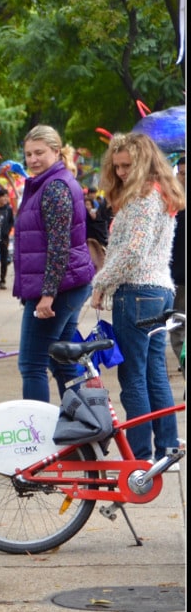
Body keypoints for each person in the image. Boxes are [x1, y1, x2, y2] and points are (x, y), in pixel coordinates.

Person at [91, 133, 184, 463]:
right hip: (159, 291)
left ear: (144, 161)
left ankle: (140, 456)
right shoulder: (160, 192)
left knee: (133, 376)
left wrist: (100, 283)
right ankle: (167, 446)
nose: (120, 172)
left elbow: (131, 253)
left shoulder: (144, 197)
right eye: (116, 166)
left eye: (127, 165)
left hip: (137, 292)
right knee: (154, 372)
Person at [12, 125, 95, 403]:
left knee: (32, 364)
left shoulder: (55, 187)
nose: (33, 159)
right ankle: (82, 424)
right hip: (67, 284)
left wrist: (47, 294)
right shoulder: (48, 183)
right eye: (28, 154)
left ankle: (36, 436)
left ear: (56, 151)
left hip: (57, 289)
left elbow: (59, 247)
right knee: (60, 360)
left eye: (39, 153)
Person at [170, 155, 186, 368]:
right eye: (181, 174)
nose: (183, 178)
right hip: (177, 277)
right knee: (177, 329)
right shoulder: (174, 203)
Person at [83, 191, 112, 272]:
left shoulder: (99, 218)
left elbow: (102, 228)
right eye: (85, 205)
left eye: (89, 204)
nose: (87, 207)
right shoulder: (84, 219)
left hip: (99, 244)